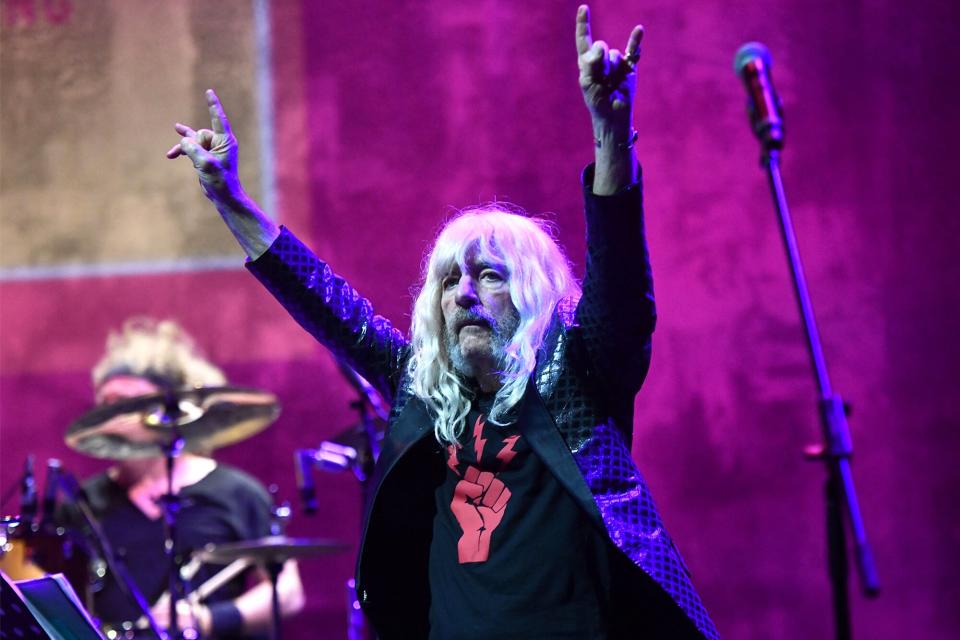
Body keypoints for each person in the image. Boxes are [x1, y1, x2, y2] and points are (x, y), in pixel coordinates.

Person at [168, 5, 719, 639]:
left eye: (487, 275)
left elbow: (620, 281)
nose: (463, 294)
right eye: (449, 280)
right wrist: (231, 199)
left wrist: (610, 129)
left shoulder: (582, 374)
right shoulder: (424, 391)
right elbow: (326, 303)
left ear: (534, 293)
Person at [69, 318, 304, 639]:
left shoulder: (237, 492)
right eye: (105, 405)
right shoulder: (84, 501)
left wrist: (210, 619)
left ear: (172, 410)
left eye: (127, 404)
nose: (114, 418)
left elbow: (288, 591)